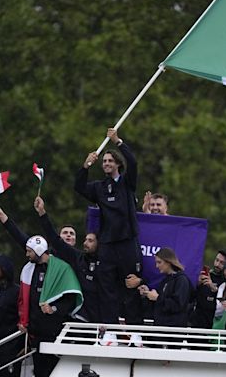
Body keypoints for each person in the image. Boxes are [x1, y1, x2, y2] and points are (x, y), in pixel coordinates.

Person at [0, 204, 82, 377]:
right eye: (64, 233)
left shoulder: (74, 260)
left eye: (72, 233)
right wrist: (4, 218)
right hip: (37, 330)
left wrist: (54, 309)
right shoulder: (37, 263)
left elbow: (70, 297)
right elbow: (23, 239)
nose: (68, 236)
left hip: (63, 326)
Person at [74, 128, 143, 329]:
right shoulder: (99, 187)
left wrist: (118, 142)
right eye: (103, 161)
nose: (106, 164)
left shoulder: (127, 183)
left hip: (127, 241)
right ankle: (110, 330)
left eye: (110, 161)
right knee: (107, 288)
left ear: (118, 165)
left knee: (130, 286)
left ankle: (135, 331)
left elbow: (134, 163)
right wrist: (85, 167)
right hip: (108, 244)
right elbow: (79, 187)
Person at [34, 196, 101, 323]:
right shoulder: (76, 257)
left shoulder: (104, 261)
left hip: (99, 318)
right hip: (75, 317)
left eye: (90, 240)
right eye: (65, 232)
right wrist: (42, 213)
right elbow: (53, 238)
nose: (86, 242)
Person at [138, 248, 192, 327]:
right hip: (161, 327)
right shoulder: (165, 280)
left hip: (172, 331)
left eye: (159, 262)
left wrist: (157, 298)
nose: (157, 266)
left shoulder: (181, 280)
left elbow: (177, 305)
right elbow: (161, 304)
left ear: (169, 262)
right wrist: (148, 294)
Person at [189, 250, 226, 329]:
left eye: (222, 263)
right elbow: (191, 298)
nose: (217, 264)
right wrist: (197, 284)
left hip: (215, 327)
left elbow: (224, 306)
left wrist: (215, 290)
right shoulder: (208, 276)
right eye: (217, 260)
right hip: (196, 324)